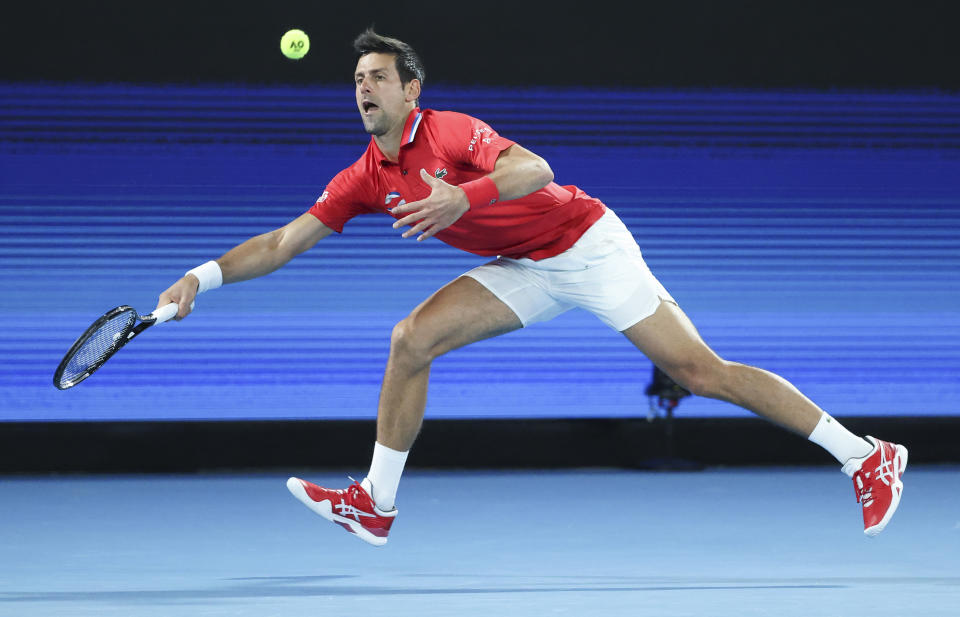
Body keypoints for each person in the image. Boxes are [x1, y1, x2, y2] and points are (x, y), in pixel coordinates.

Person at [157, 29, 908, 546]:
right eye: (357, 80)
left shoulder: (448, 132)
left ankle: (866, 455)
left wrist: (464, 197)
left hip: (586, 244)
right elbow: (284, 241)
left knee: (698, 372)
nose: (365, 88)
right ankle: (375, 504)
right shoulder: (364, 177)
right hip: (525, 268)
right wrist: (202, 276)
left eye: (378, 77)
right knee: (411, 338)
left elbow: (535, 170)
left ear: (410, 89)